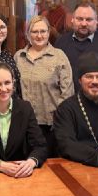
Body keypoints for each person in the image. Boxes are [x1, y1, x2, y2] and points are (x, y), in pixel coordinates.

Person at [14, 15, 73, 156]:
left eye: (43, 31)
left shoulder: (59, 56)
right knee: (26, 162)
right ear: (28, 34)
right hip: (24, 123)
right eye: (34, 31)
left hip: (51, 125)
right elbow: (14, 89)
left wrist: (59, 118)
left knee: (49, 164)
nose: (39, 35)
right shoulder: (19, 57)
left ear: (48, 32)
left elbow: (67, 91)